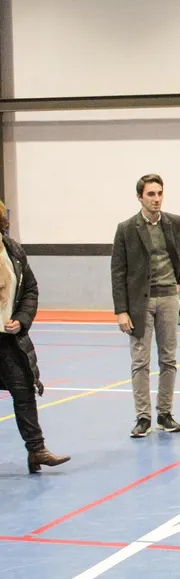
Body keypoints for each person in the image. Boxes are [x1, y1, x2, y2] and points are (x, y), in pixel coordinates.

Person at [110, 174, 180, 437]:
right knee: (140, 361)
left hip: (169, 299)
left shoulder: (175, 223)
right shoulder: (126, 228)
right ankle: (143, 417)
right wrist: (121, 310)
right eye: (151, 194)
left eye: (160, 193)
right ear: (140, 197)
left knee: (169, 359)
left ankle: (165, 413)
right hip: (140, 302)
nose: (157, 199)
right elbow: (117, 271)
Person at [0, 201, 69, 473]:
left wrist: (22, 319)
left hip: (9, 340)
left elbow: (30, 290)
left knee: (24, 392)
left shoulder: (12, 251)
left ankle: (37, 451)